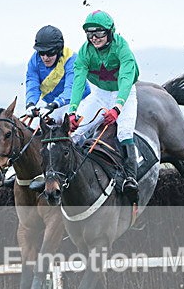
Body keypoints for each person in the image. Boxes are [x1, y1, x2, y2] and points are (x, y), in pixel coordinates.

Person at [67, 10, 140, 202]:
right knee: (75, 133)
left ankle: (131, 178)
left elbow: (125, 79)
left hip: (123, 92)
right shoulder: (84, 51)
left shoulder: (121, 47)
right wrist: (72, 111)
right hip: (98, 94)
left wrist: (117, 108)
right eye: (90, 34)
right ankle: (64, 176)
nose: (94, 38)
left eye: (99, 33)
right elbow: (78, 81)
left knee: (124, 132)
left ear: (110, 32)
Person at [25, 25, 89, 124]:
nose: (45, 58)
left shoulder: (72, 60)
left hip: (78, 103)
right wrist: (30, 103)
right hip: (51, 105)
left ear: (59, 49)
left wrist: (54, 104)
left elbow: (70, 89)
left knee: (72, 130)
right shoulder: (34, 60)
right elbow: (32, 85)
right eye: (42, 53)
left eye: (50, 53)